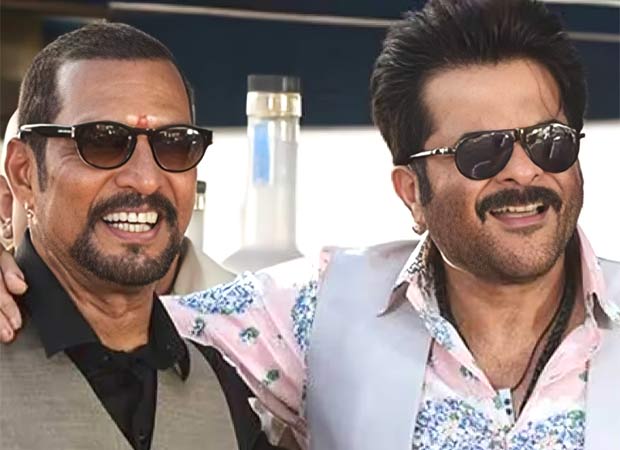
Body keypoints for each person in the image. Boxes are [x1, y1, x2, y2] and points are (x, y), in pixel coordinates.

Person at [2, 1, 619, 449]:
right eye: (482, 152)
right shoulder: (311, 314)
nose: (524, 172)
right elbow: (115, 308)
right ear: (412, 192)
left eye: (549, 142)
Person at [0, 22, 282, 450]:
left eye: (174, 144)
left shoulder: (223, 386)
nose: (147, 179)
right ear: (24, 174)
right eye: (103, 141)